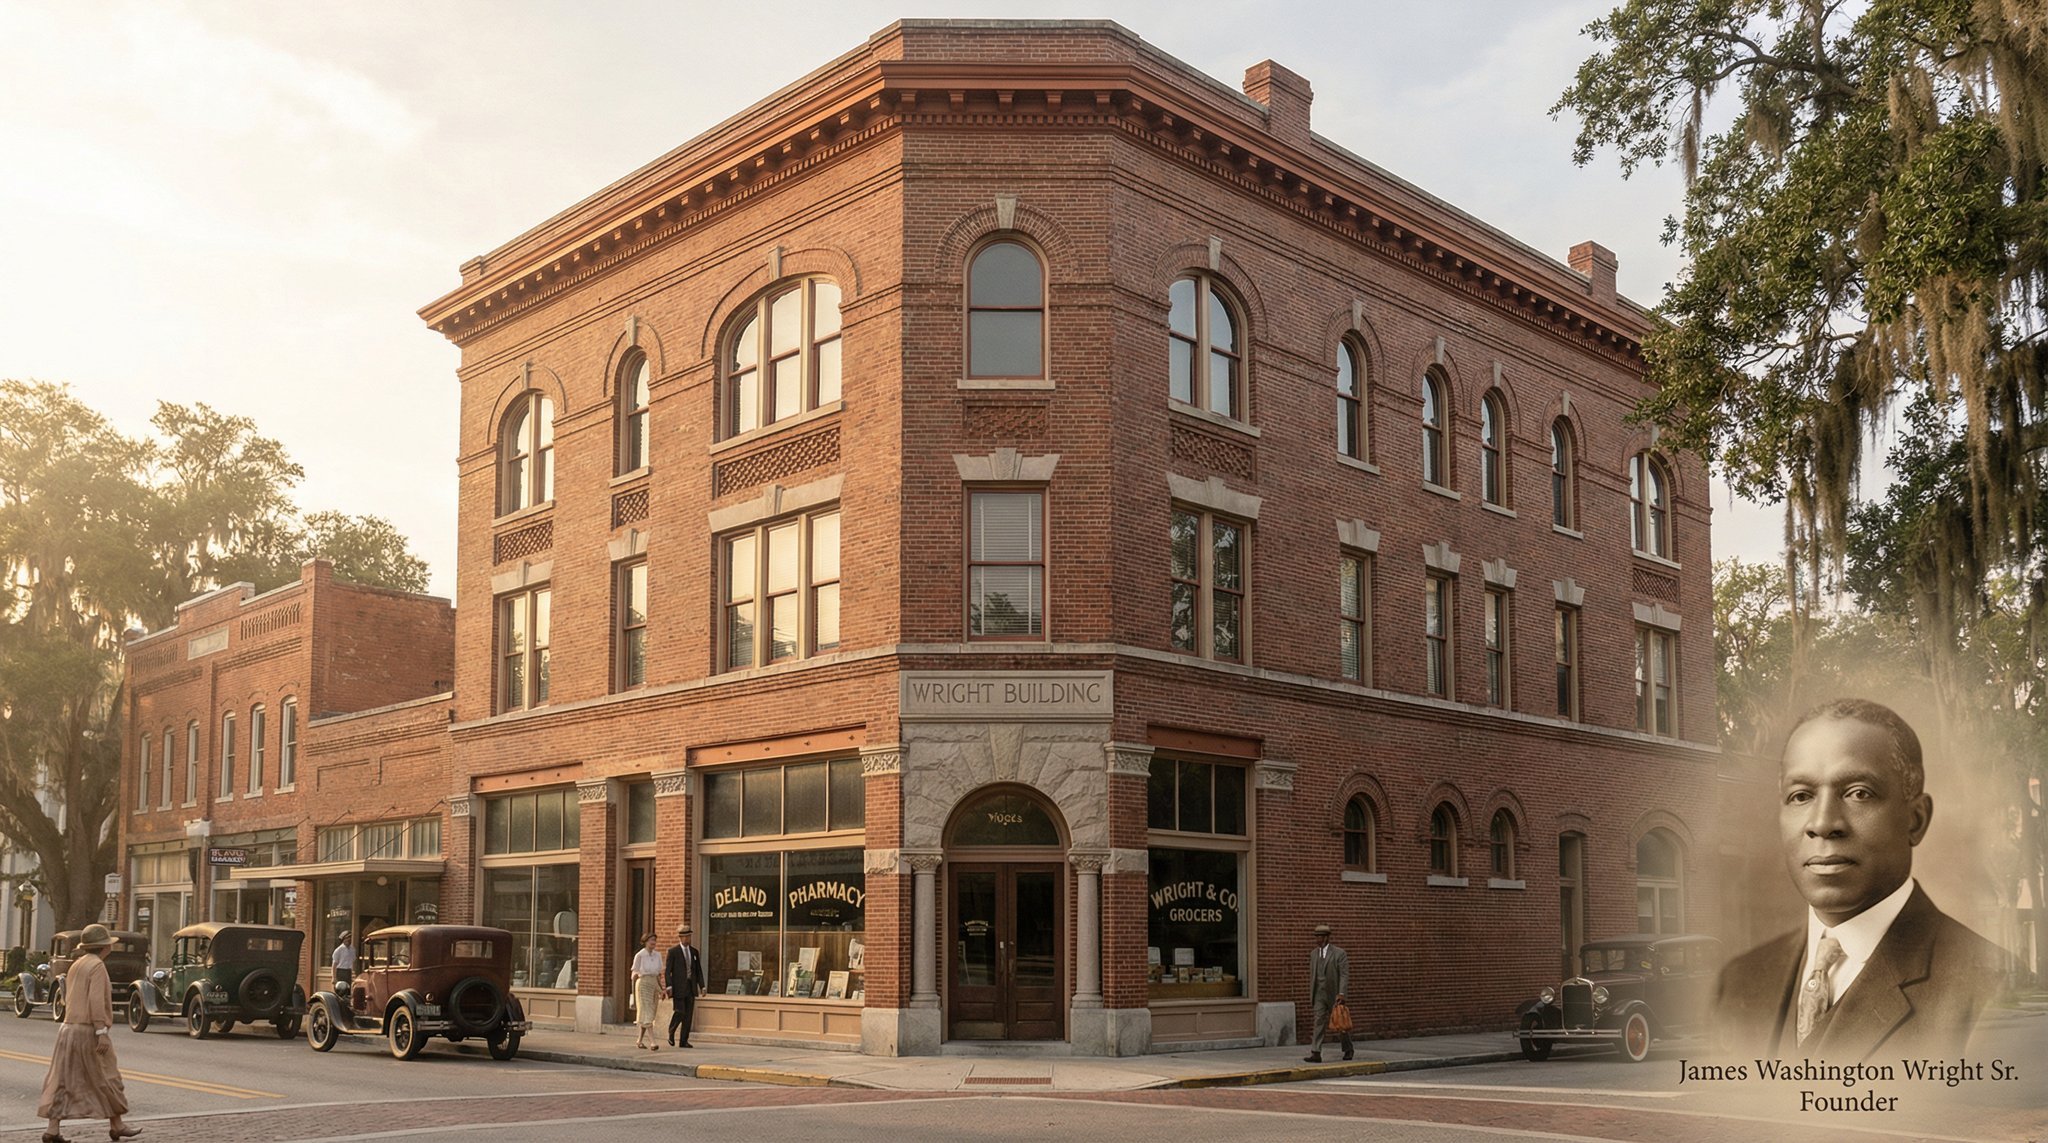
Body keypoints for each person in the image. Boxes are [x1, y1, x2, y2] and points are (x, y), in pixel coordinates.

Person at [1716, 699, 2005, 1060]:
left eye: (1859, 793)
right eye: (1801, 795)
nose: (1822, 823)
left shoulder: (1986, 988)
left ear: (1915, 819)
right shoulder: (1740, 980)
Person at [38, 924, 140, 1143]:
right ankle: (117, 1125)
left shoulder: (77, 964)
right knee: (108, 1076)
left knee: (63, 1079)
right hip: (88, 1030)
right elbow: (95, 1000)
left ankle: (53, 1130)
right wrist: (101, 1030)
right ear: (104, 947)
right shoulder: (97, 966)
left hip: (68, 1029)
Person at [1303, 923, 1352, 1063]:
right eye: (1316, 937)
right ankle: (1316, 1052)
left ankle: (1348, 1048)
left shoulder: (1339, 954)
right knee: (1318, 1021)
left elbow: (1344, 975)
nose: (1317, 940)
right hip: (1319, 993)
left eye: (1320, 937)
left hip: (1334, 993)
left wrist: (1341, 993)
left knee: (1340, 1022)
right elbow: (1313, 975)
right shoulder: (1313, 954)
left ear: (1326, 938)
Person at [665, 924, 705, 1048]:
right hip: (678, 987)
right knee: (679, 1011)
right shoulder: (673, 952)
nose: (688, 939)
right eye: (685, 937)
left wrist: (702, 986)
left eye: (689, 936)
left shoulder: (694, 952)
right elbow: (668, 971)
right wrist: (669, 986)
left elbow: (698, 970)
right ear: (680, 938)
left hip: (690, 986)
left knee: (688, 1015)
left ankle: (684, 1041)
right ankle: (671, 1030)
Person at [629, 932, 663, 1050]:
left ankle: (639, 1040)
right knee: (646, 1011)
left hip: (654, 983)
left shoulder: (657, 955)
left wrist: (661, 989)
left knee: (649, 1012)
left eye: (654, 940)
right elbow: (634, 973)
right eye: (650, 940)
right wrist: (633, 991)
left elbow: (658, 974)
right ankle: (653, 1042)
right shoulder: (640, 955)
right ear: (645, 942)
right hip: (643, 983)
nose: (653, 942)